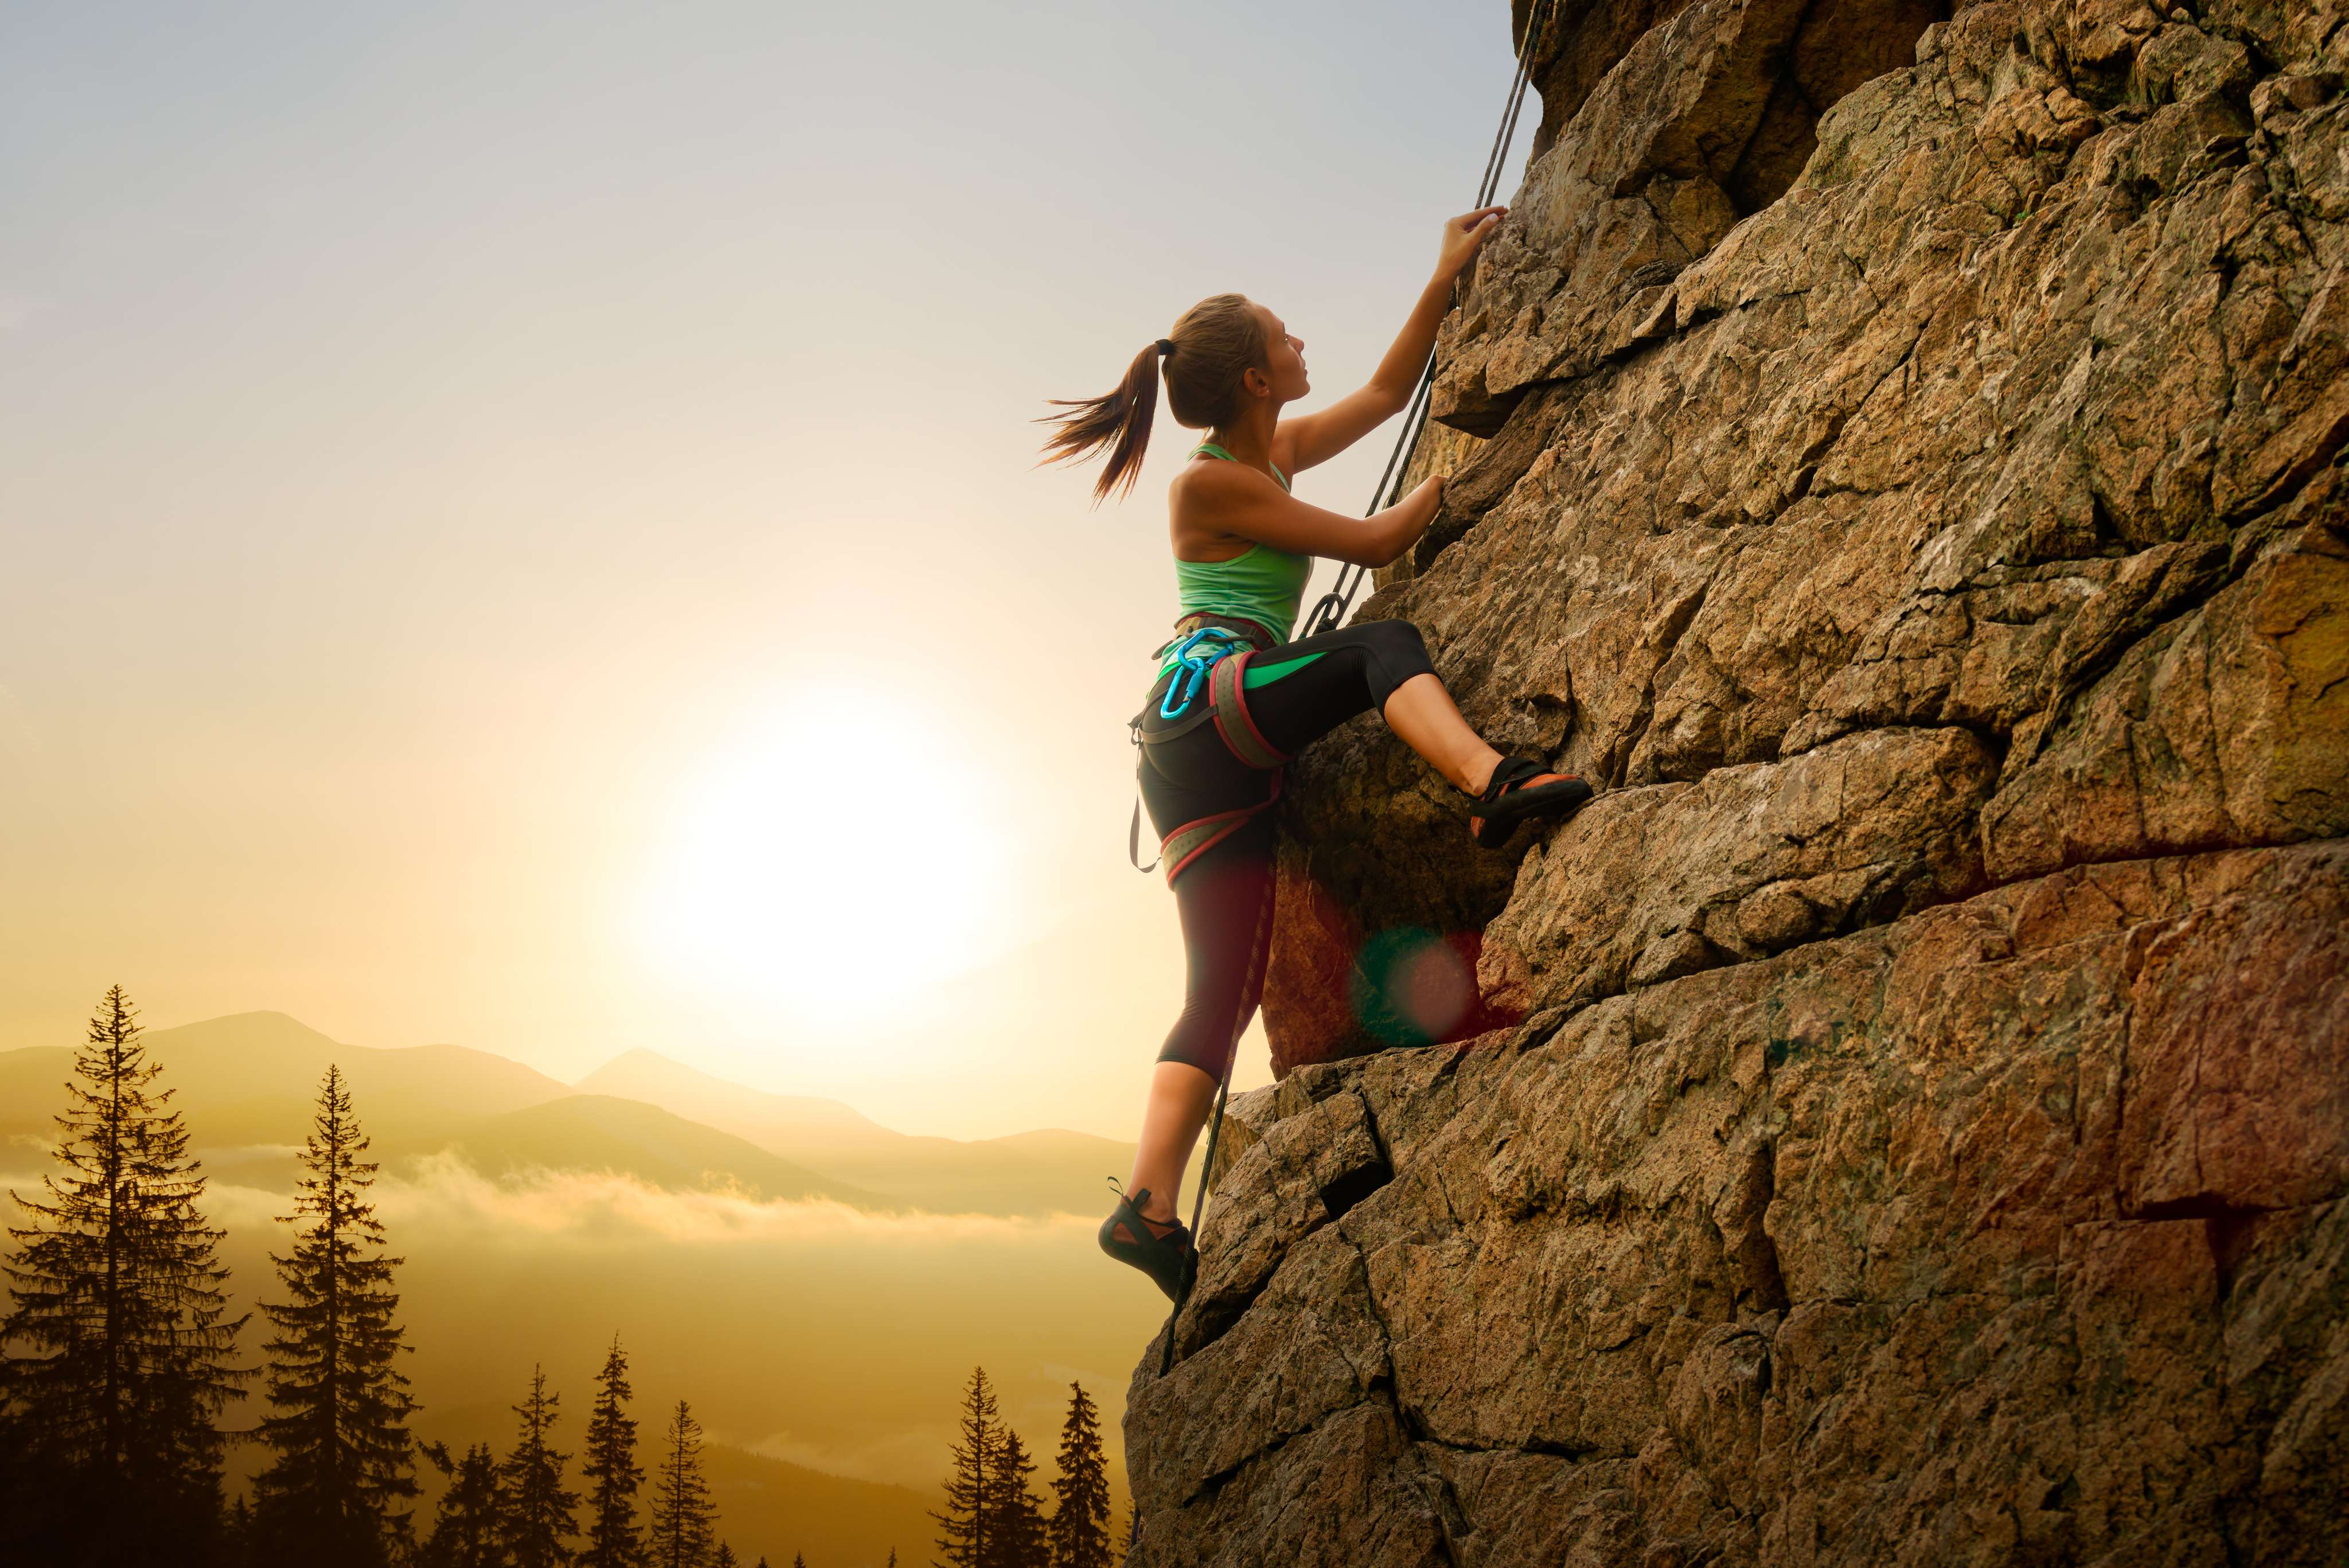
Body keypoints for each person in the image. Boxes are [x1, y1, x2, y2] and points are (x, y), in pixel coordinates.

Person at [1037, 208, 1594, 1301]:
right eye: (1286, 336)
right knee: (1376, 644)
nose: (1302, 342)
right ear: (1254, 378)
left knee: (1225, 992)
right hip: (1215, 704)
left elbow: (1388, 399)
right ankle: (1491, 779)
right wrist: (1486, 473)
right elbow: (1384, 542)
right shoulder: (1211, 486)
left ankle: (1147, 1208)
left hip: (1198, 749)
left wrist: (1441, 278)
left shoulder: (1269, 454)